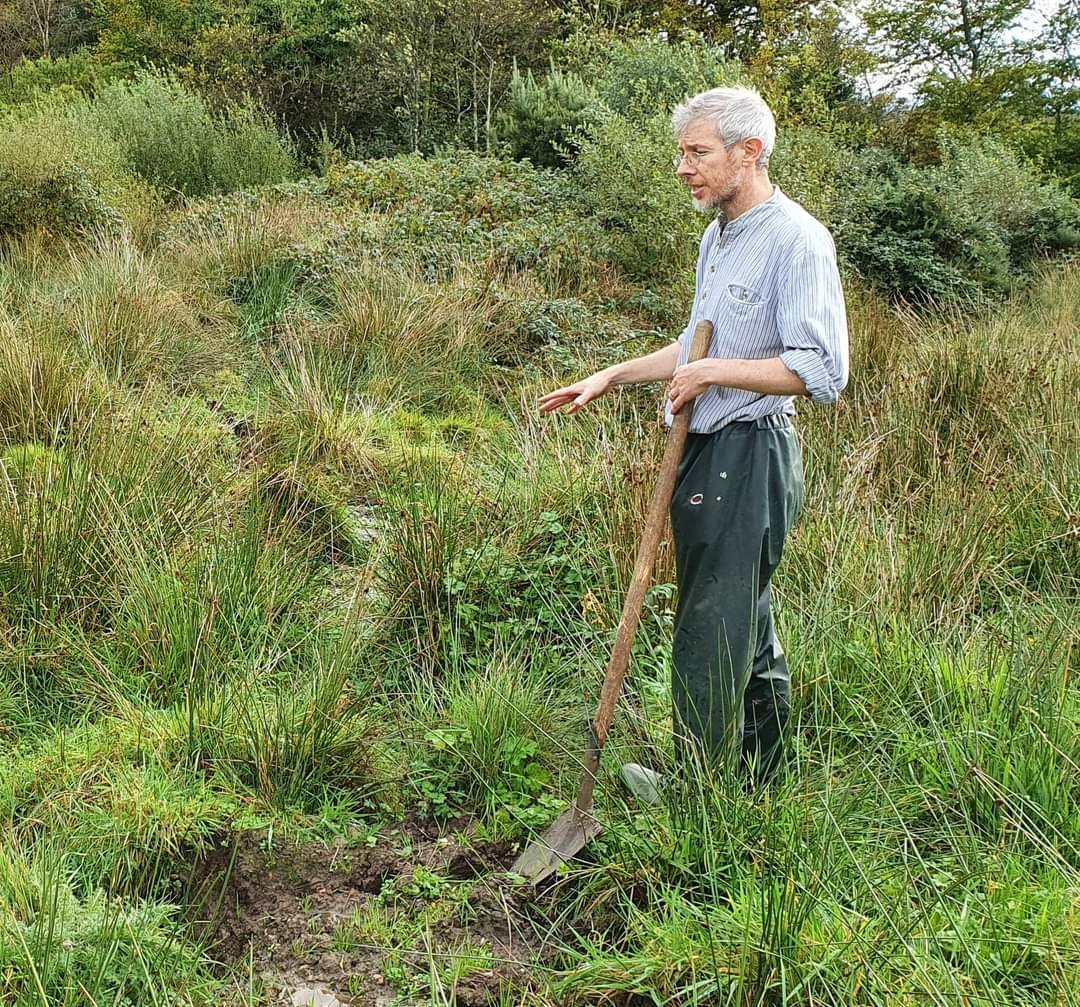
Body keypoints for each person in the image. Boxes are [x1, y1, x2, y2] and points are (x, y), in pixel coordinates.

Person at [538, 86, 849, 796]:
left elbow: (822, 368)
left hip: (752, 449)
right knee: (745, 613)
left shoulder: (798, 241)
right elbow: (694, 342)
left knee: (710, 624)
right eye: (681, 152)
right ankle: (764, 777)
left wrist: (711, 372)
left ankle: (698, 794)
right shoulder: (718, 237)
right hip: (713, 451)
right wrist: (610, 375)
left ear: (750, 152)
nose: (683, 167)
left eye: (697, 152)